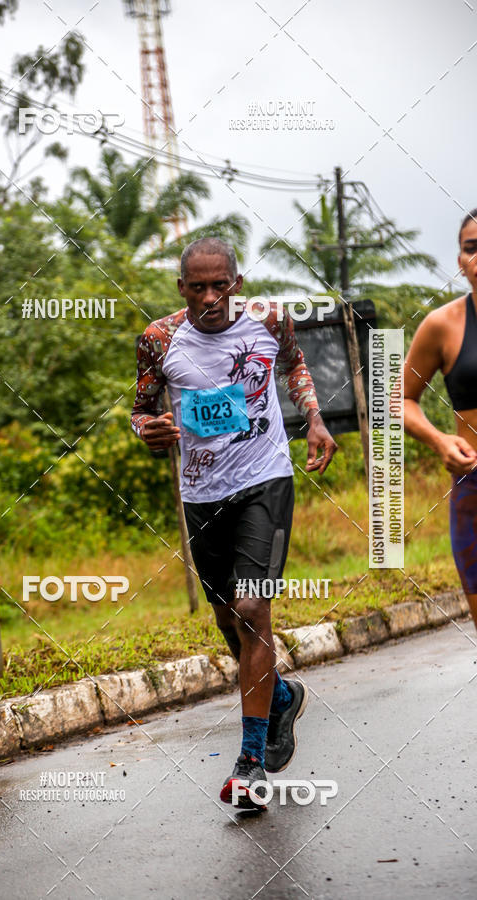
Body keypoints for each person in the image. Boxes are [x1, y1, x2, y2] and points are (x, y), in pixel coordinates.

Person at [131, 237, 337, 809]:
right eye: (197, 287)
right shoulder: (159, 339)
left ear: (236, 283)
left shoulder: (270, 321)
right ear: (181, 290)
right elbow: (142, 409)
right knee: (227, 618)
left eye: (220, 284)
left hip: (266, 482)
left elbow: (294, 365)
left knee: (252, 609)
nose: (210, 297)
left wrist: (314, 419)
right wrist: (148, 430)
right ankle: (280, 699)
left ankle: (249, 765)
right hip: (201, 494)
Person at [403, 209, 477, 632]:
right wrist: (439, 441)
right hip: (473, 492)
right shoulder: (442, 326)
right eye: (472, 248)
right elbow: (401, 401)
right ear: (460, 260)